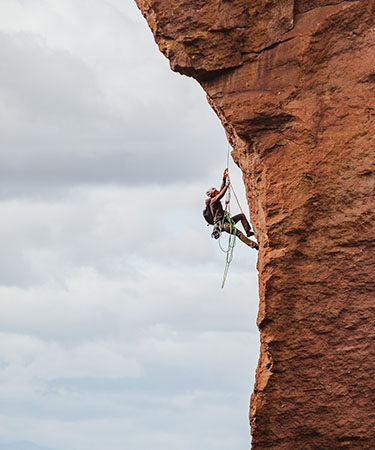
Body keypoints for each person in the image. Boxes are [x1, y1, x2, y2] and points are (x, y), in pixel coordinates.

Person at [205, 170, 258, 250]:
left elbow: (220, 190)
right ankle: (254, 245)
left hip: (225, 221)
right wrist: (226, 186)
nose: (217, 191)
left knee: (241, 216)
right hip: (222, 224)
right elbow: (221, 194)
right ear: (212, 194)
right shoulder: (213, 201)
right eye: (215, 191)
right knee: (239, 233)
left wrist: (224, 178)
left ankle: (248, 232)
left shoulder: (214, 199)